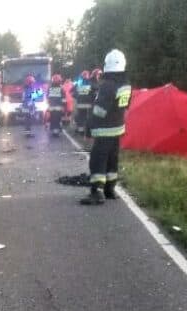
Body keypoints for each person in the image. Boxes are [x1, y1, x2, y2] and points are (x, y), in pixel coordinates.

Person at [80, 49, 132, 205]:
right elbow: (127, 105)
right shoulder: (126, 84)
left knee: (98, 159)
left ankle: (97, 192)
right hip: (118, 128)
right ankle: (110, 189)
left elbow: (99, 111)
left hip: (104, 130)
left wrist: (89, 126)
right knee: (112, 159)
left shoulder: (107, 85)